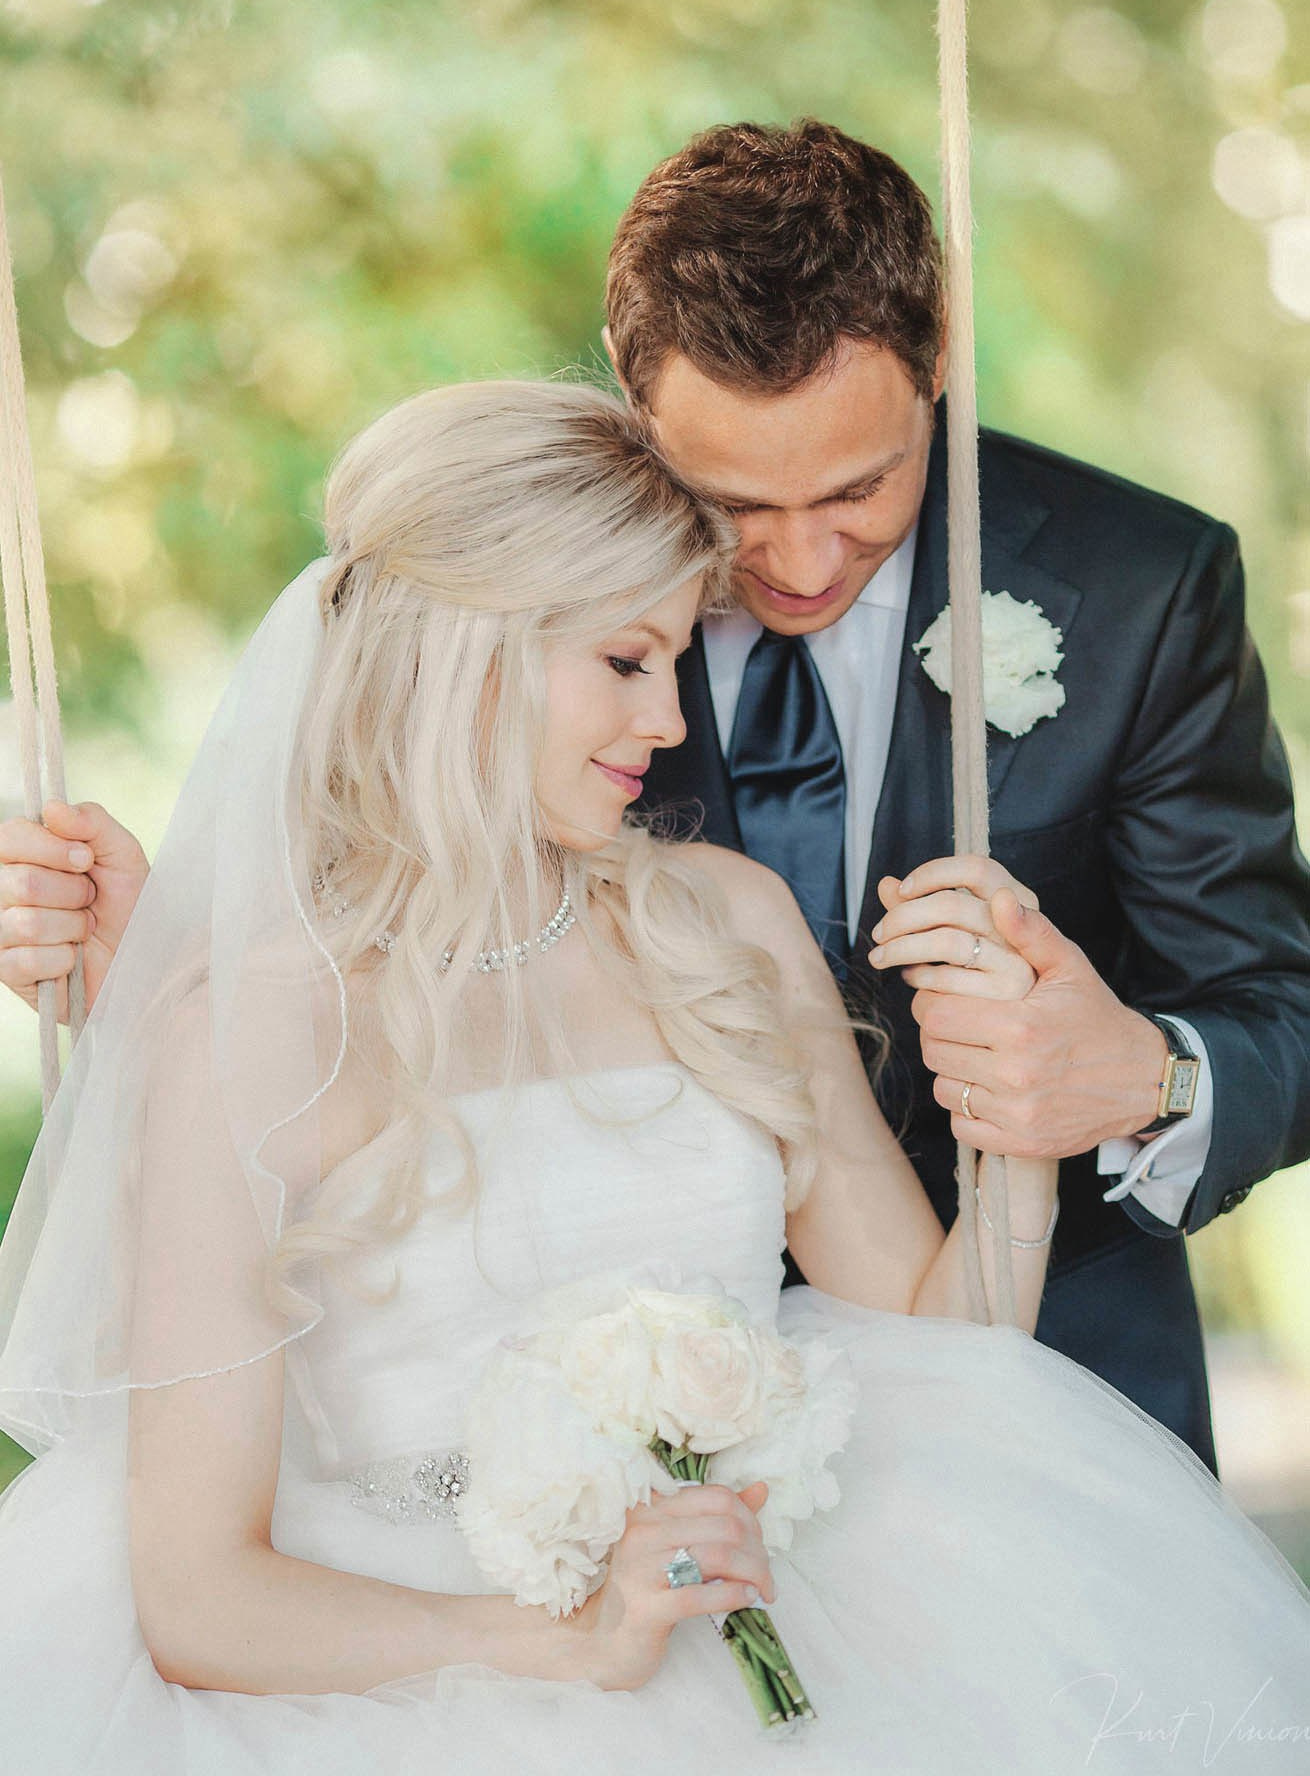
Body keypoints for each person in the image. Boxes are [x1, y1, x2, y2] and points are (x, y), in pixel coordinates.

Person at [0, 379, 1306, 1775]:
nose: (674, 720)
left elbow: (953, 1348)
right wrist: (568, 1642)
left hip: (817, 1607)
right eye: (628, 661)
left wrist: (1019, 1110)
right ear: (466, 652)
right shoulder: (245, 1031)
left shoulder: (724, 925)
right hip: (404, 1681)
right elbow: (200, 1600)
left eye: (678, 661)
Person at [4, 124, 1309, 1472]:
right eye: (735, 504)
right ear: (637, 404)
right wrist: (156, 984)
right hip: (483, 1469)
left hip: (1032, 1407)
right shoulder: (494, 596)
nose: (801, 562)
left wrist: (1138, 1077)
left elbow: (1280, 1001)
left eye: (860, 489)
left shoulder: (1143, 587)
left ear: (936, 368)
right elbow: (360, 995)